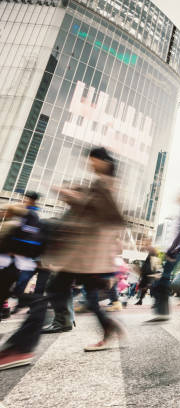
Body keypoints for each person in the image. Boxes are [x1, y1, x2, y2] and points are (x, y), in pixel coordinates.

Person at [0, 147, 126, 370]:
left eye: (93, 160)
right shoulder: (101, 184)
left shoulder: (105, 184)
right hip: (83, 255)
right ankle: (107, 327)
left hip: (83, 254)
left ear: (103, 161)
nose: (90, 163)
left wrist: (73, 196)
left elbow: (108, 214)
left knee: (50, 291)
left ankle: (21, 347)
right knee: (82, 296)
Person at [148, 190, 180, 322]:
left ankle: (163, 312)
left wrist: (172, 249)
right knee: (163, 280)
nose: (177, 196)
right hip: (174, 250)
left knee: (164, 280)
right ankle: (162, 311)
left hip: (175, 251)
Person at [0, 191, 42, 319]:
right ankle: (6, 307)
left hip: (13, 260)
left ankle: (28, 303)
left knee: (10, 287)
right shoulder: (23, 218)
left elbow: (29, 238)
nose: (23, 200)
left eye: (25, 198)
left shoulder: (30, 216)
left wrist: (16, 252)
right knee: (6, 288)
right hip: (13, 260)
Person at [135, 240, 161, 305]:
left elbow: (144, 249)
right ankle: (140, 300)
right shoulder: (150, 255)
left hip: (149, 273)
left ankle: (157, 301)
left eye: (145, 242)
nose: (144, 243)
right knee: (144, 287)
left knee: (149, 287)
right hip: (147, 273)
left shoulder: (152, 250)